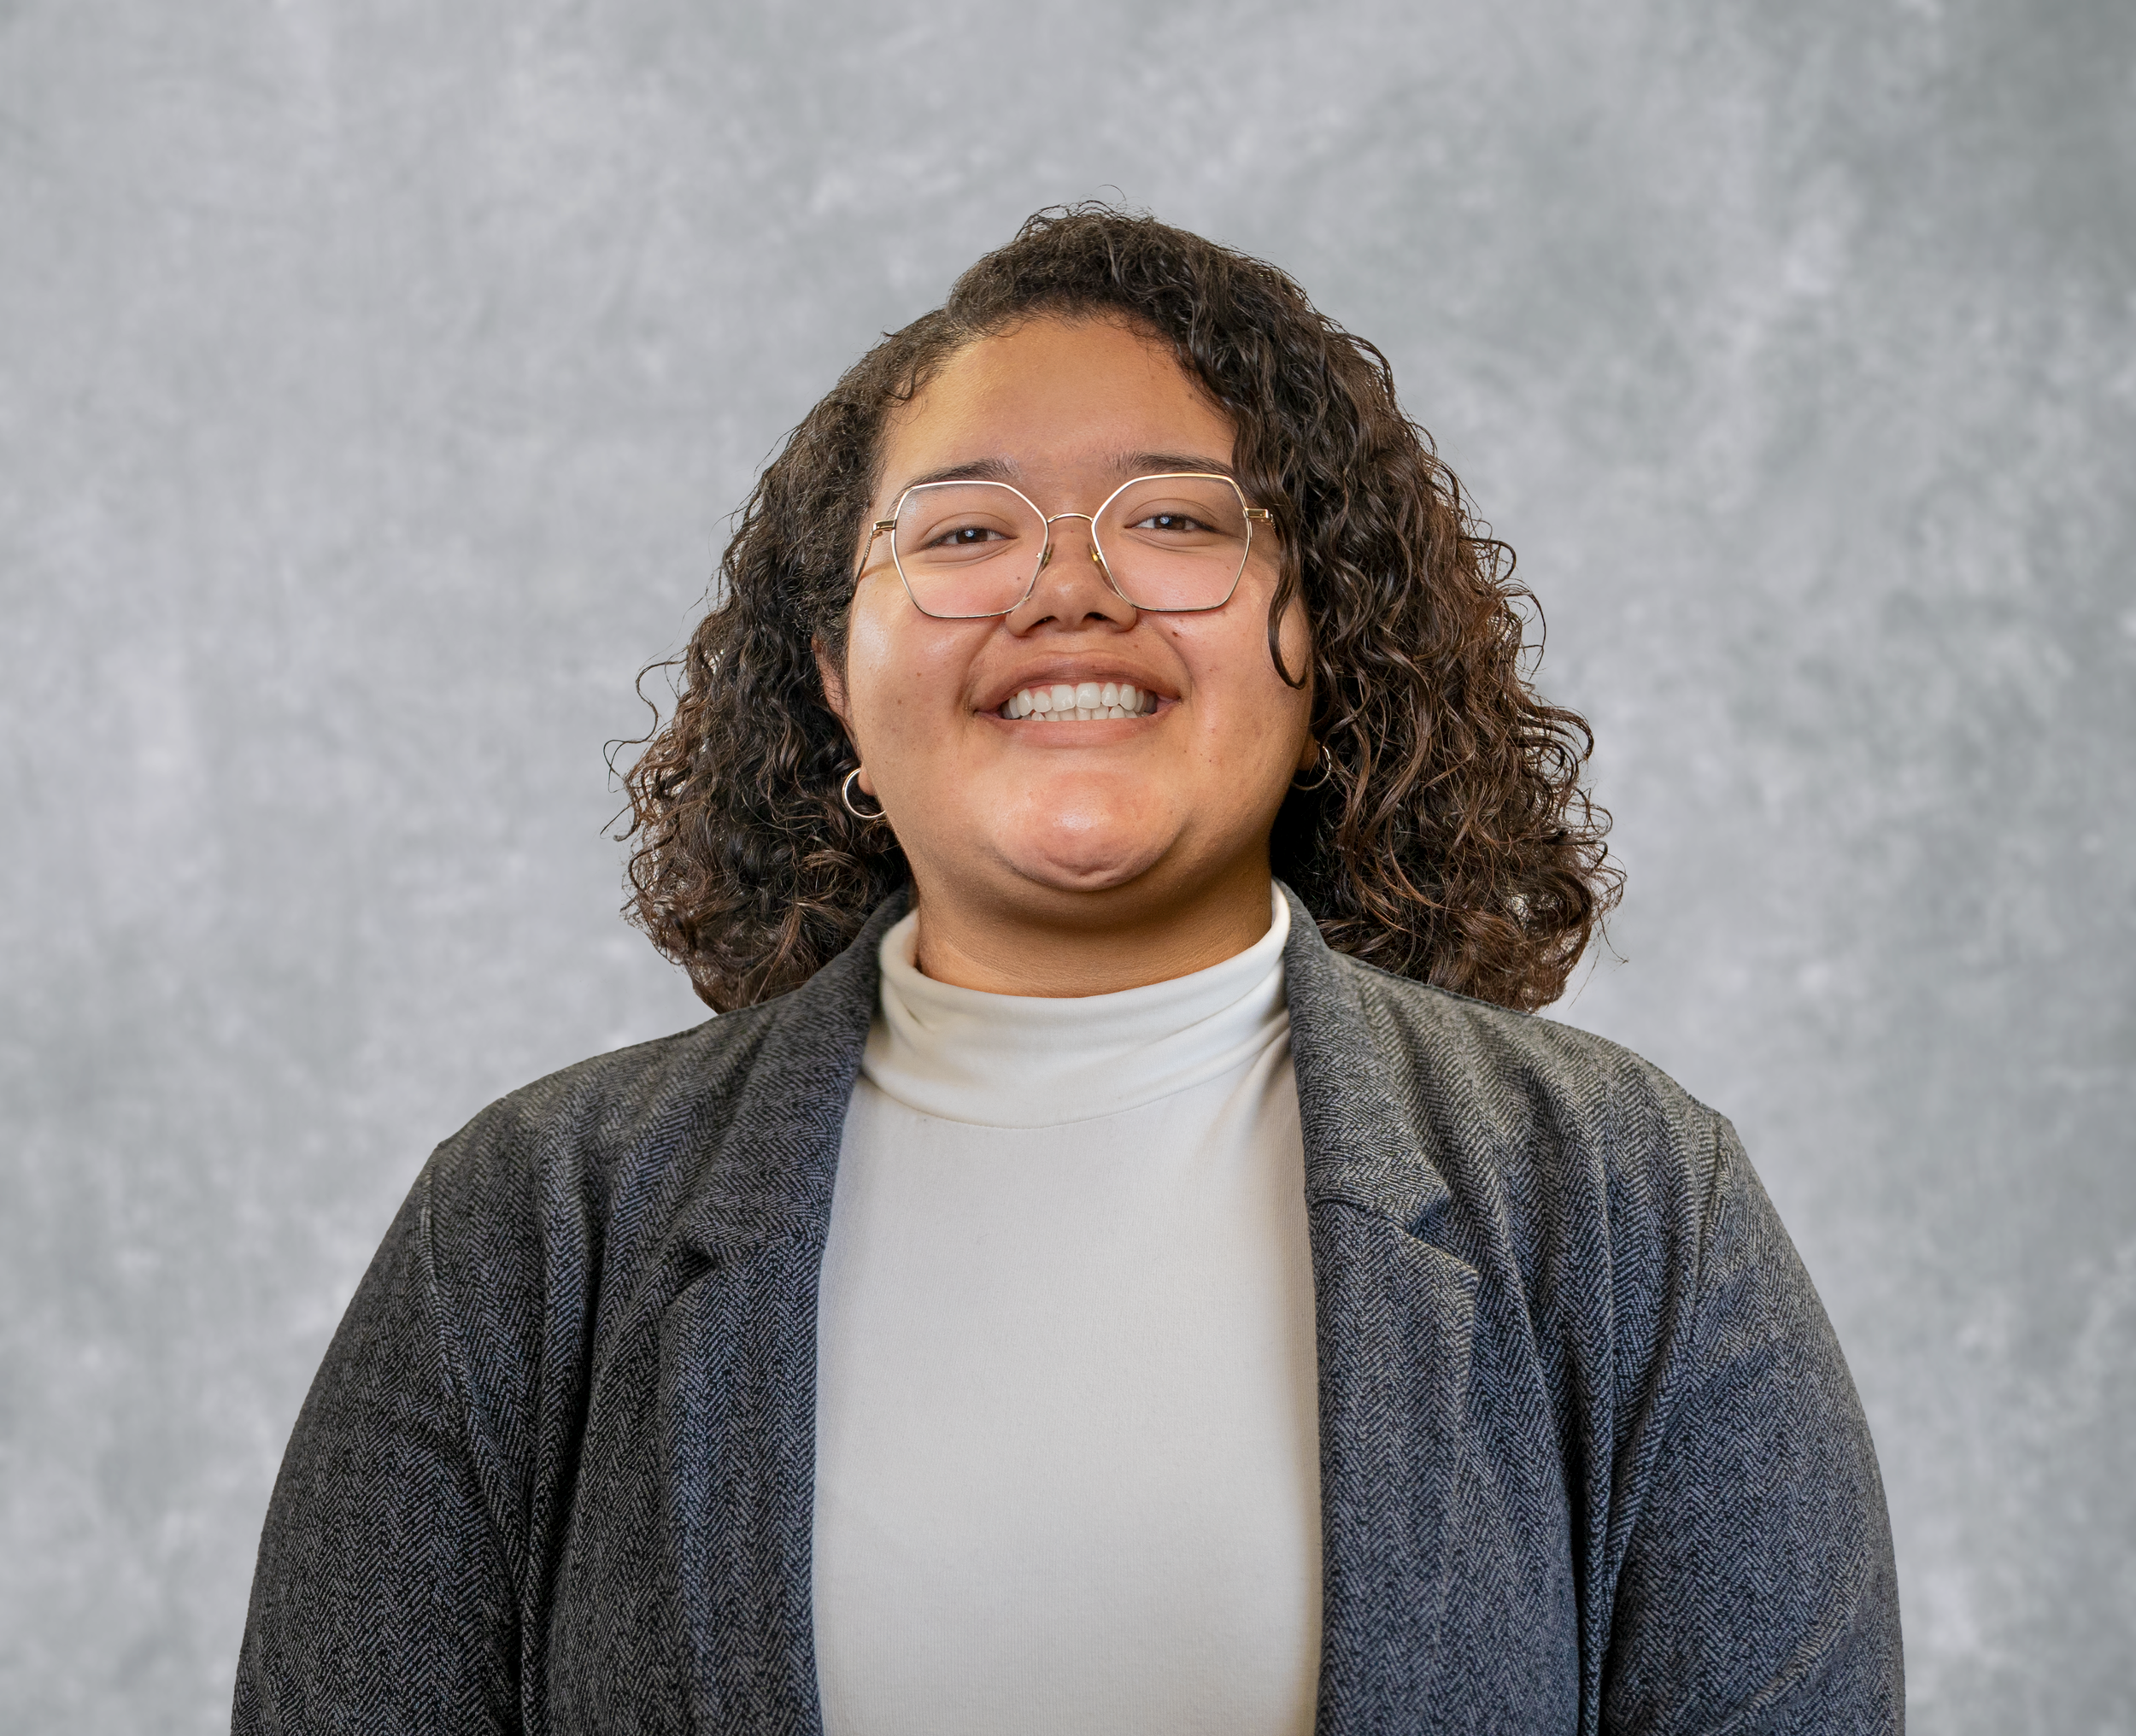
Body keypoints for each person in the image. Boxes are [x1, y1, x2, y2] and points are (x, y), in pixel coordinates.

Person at [232, 205, 1903, 1734]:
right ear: (835, 674)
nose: (1068, 588)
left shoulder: (1623, 1201)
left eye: (1172, 517)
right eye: (962, 532)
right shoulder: (527, 1228)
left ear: (1320, 640)